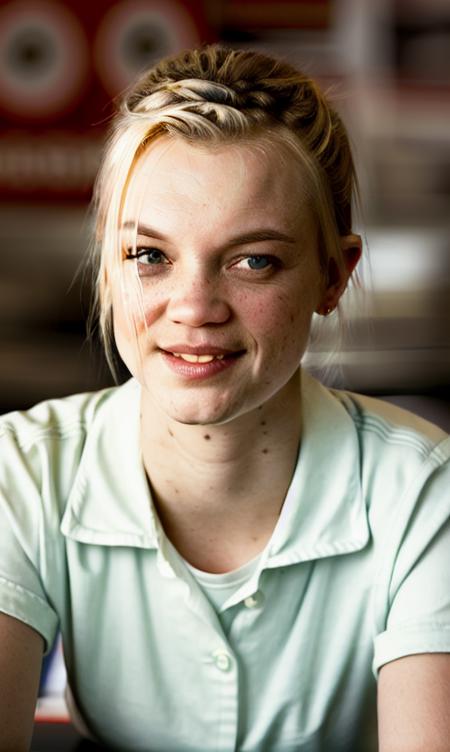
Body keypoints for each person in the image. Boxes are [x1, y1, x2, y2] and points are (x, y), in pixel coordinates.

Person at [0, 44, 449, 752]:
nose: (195, 308)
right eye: (150, 256)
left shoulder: (426, 493)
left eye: (254, 261)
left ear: (334, 275)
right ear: (109, 265)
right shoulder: (21, 473)